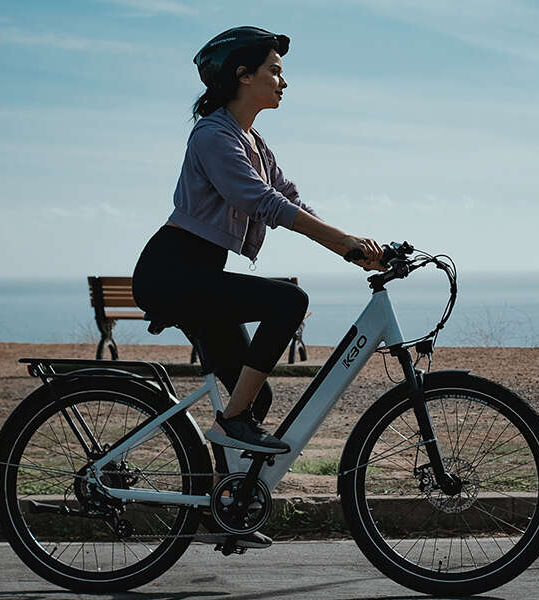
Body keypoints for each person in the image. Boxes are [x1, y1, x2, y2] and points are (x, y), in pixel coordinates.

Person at [131, 26, 384, 548]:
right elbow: (260, 200)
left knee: (256, 395)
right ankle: (230, 427)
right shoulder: (213, 136)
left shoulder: (253, 140)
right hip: (174, 272)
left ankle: (225, 509)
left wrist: (361, 244)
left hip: (198, 272)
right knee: (287, 302)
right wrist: (344, 245)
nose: (283, 80)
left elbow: (289, 195)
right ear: (242, 77)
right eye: (274, 70)